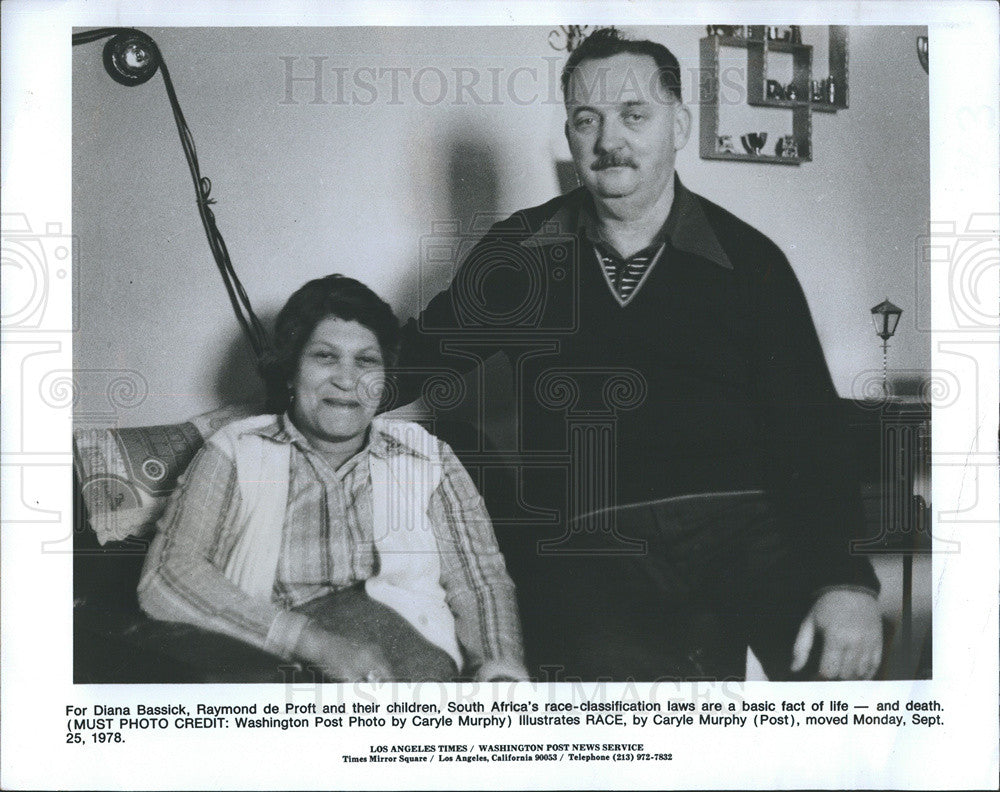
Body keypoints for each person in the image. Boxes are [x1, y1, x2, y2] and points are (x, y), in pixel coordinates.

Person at [394, 28, 882, 681]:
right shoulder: (522, 252)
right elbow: (419, 359)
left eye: (633, 115)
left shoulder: (749, 260)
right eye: (585, 120)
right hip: (593, 539)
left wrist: (846, 580)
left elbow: (810, 428)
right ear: (569, 135)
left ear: (677, 124)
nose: (607, 140)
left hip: (741, 525)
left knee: (840, 675)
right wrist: (303, 370)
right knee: (632, 721)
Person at [138, 274, 528, 682]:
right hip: (285, 667)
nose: (347, 379)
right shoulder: (235, 451)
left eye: (366, 361)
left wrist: (499, 668)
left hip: (420, 665)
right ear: (290, 372)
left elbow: (480, 582)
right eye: (325, 357)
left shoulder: (429, 457)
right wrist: (314, 643)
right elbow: (166, 578)